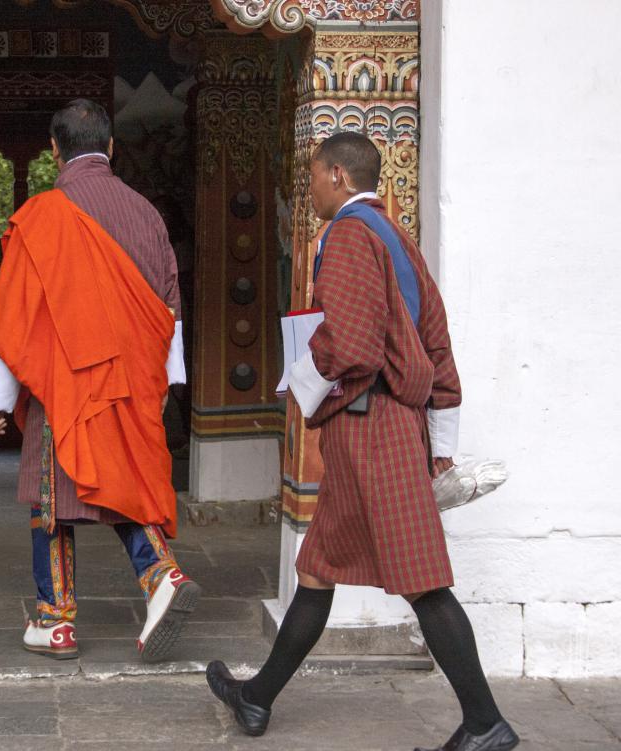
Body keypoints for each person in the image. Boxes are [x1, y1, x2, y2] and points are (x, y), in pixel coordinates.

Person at [205, 132, 519, 751]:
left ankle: (485, 722)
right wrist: (441, 433)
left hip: (371, 430)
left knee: (423, 579)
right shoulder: (399, 240)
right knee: (318, 568)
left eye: (315, 176)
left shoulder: (347, 234)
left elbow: (349, 345)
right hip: (388, 426)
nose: (311, 188)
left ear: (339, 177)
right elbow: (436, 342)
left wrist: (298, 378)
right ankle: (257, 698)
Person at [0, 99, 199, 662]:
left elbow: (17, 312)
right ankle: (159, 576)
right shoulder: (146, 214)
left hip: (68, 380)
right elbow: (170, 306)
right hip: (134, 381)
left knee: (51, 497)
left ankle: (55, 620)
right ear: (111, 148)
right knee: (120, 480)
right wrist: (165, 386)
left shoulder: (44, 213)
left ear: (55, 149)